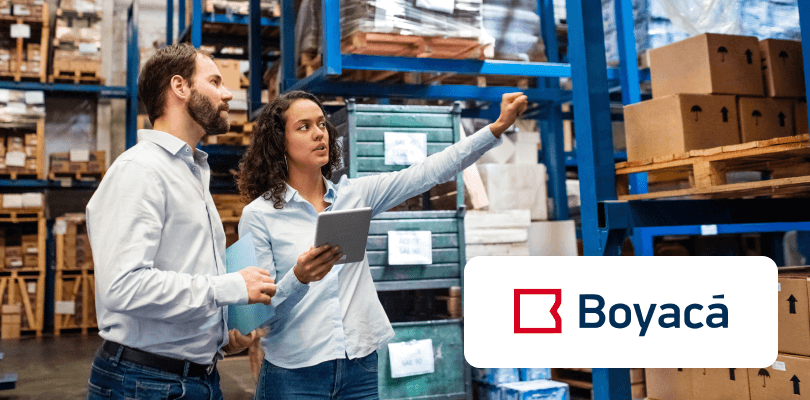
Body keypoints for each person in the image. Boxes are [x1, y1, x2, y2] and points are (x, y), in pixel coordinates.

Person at [236, 90, 527, 399]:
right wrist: (299, 278)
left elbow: (429, 171)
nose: (319, 133)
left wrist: (496, 128)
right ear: (279, 142)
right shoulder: (258, 215)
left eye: (321, 124)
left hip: (359, 367)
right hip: (294, 375)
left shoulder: (355, 195)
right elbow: (256, 315)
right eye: (304, 126)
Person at [85, 43, 277, 400]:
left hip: (195, 377)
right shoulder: (140, 171)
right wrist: (229, 287)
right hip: (145, 383)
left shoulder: (191, 170)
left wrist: (221, 334)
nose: (228, 93)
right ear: (180, 87)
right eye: (216, 81)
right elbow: (124, 286)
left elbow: (184, 270)